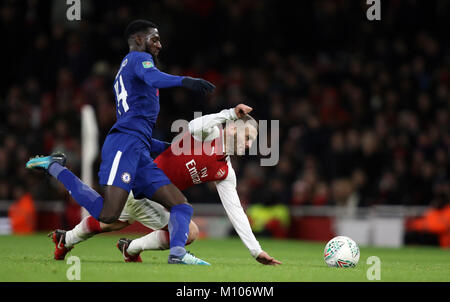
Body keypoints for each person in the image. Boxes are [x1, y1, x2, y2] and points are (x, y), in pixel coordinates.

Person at [26, 19, 215, 265]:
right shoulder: (138, 59)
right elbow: (154, 78)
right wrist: (186, 81)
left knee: (180, 204)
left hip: (138, 149)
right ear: (138, 39)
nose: (159, 44)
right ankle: (54, 166)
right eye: (154, 39)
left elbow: (142, 130)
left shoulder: (132, 69)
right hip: (124, 145)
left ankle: (177, 254)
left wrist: (173, 147)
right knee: (109, 214)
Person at [49, 104, 282, 266]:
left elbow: (236, 212)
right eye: (248, 138)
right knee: (112, 220)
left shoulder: (225, 172)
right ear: (233, 128)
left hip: (158, 198)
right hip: (142, 182)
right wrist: (229, 113)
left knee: (114, 221)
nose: (251, 145)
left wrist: (256, 250)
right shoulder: (208, 133)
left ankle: (70, 239)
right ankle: (125, 247)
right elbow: (193, 125)